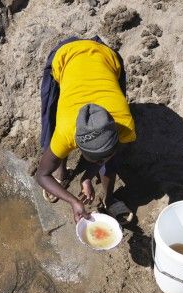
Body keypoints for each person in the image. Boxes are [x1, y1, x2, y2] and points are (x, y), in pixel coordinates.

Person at [35, 36, 136, 224]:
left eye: (103, 156)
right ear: (78, 145)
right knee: (51, 122)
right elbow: (41, 175)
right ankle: (61, 174)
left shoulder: (125, 125)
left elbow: (108, 157)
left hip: (106, 56)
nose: (100, 161)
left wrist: (87, 177)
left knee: (112, 162)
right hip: (66, 54)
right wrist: (74, 201)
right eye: (95, 158)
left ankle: (109, 199)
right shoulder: (66, 130)